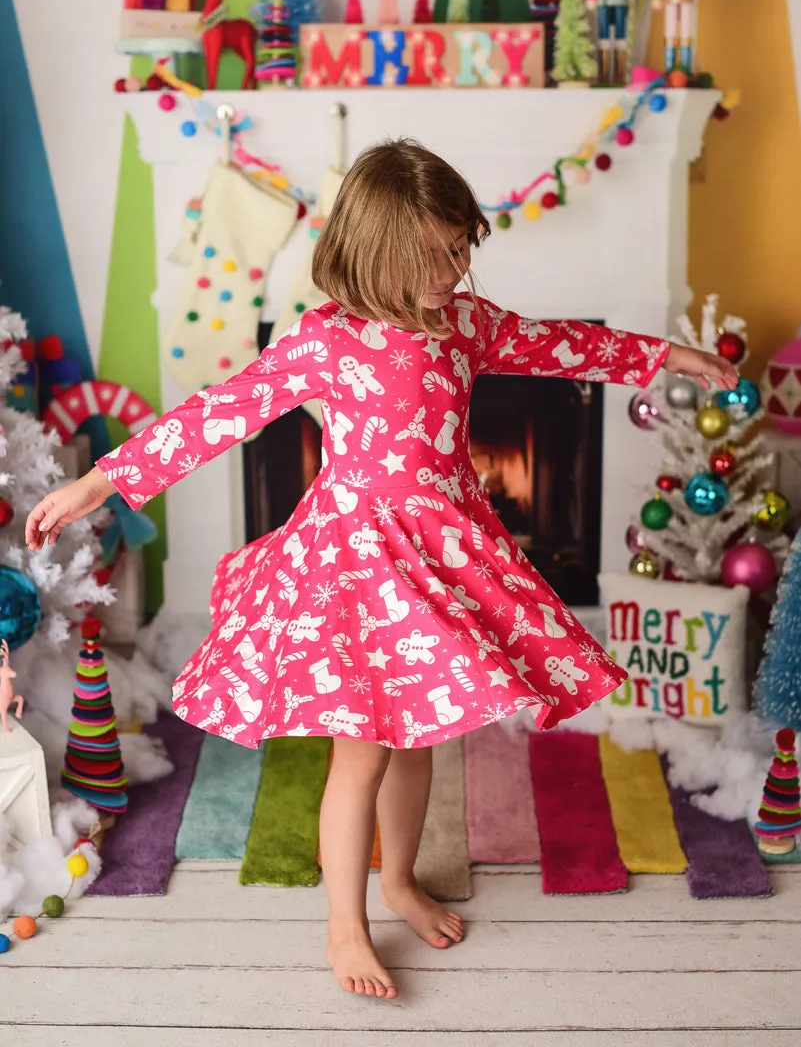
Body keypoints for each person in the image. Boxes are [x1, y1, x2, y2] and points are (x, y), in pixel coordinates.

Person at [26, 140, 737, 1000]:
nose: (450, 269)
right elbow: (217, 413)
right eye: (431, 255)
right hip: (356, 564)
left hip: (443, 552)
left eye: (459, 249)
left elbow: (560, 346)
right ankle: (344, 928)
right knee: (360, 755)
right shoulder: (329, 340)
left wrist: (665, 356)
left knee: (419, 741)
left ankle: (399, 880)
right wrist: (99, 481)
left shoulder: (465, 325)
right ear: (372, 252)